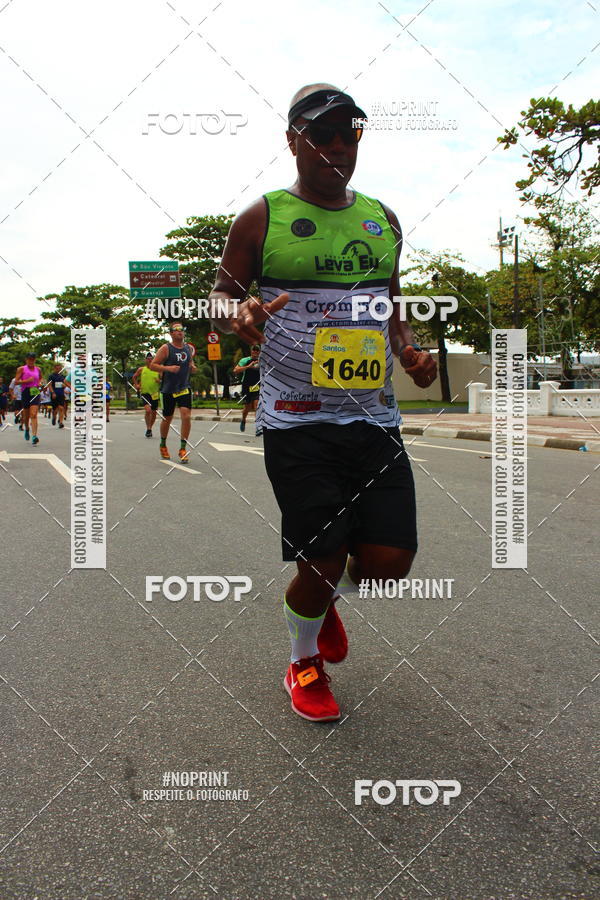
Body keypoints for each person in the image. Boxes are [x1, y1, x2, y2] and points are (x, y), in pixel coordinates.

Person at [209, 84, 437, 722]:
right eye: (322, 132)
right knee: (325, 557)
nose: (338, 144)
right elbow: (221, 297)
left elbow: (390, 306)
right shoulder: (263, 217)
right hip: (297, 421)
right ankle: (302, 661)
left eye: (349, 132)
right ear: (293, 141)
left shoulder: (382, 219)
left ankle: (322, 598)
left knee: (389, 565)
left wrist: (410, 352)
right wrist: (239, 312)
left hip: (374, 419)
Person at [150, 323, 196, 463]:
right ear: (170, 333)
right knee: (167, 418)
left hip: (184, 387)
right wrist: (168, 368)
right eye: (176, 330)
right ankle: (163, 444)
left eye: (181, 330)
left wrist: (192, 367)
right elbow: (152, 365)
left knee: (186, 416)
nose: (179, 332)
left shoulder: (188, 348)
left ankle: (183, 449)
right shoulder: (166, 348)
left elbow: (190, 363)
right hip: (168, 389)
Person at [14, 352, 43, 445]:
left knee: (33, 414)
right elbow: (16, 382)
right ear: (26, 360)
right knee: (26, 416)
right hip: (25, 391)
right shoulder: (21, 369)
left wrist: (40, 383)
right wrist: (26, 381)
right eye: (29, 359)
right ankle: (27, 428)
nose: (31, 361)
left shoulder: (38, 369)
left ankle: (34, 435)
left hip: (35, 391)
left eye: (33, 359)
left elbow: (40, 379)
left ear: (35, 360)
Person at [233, 344, 261, 432]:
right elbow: (235, 370)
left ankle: (258, 427)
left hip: (257, 385)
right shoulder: (245, 360)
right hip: (247, 385)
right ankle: (243, 419)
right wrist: (248, 367)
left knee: (257, 405)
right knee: (247, 408)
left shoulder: (261, 360)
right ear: (251, 351)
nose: (255, 352)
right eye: (254, 350)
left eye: (257, 350)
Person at [133, 353, 161, 437]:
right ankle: (148, 428)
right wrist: (137, 385)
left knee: (154, 412)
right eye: (148, 358)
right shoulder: (141, 369)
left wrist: (159, 381)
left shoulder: (158, 370)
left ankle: (150, 428)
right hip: (145, 393)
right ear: (145, 360)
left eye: (151, 358)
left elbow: (164, 380)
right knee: (148, 410)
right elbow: (134, 377)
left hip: (155, 394)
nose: (149, 360)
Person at [48, 363, 69, 428]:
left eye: (60, 369)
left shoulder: (63, 376)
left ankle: (61, 422)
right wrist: (53, 392)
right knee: (55, 409)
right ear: (54, 369)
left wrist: (64, 386)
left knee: (61, 408)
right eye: (57, 368)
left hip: (61, 394)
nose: (58, 370)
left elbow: (66, 384)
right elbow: (50, 385)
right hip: (54, 394)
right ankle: (54, 417)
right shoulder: (51, 376)